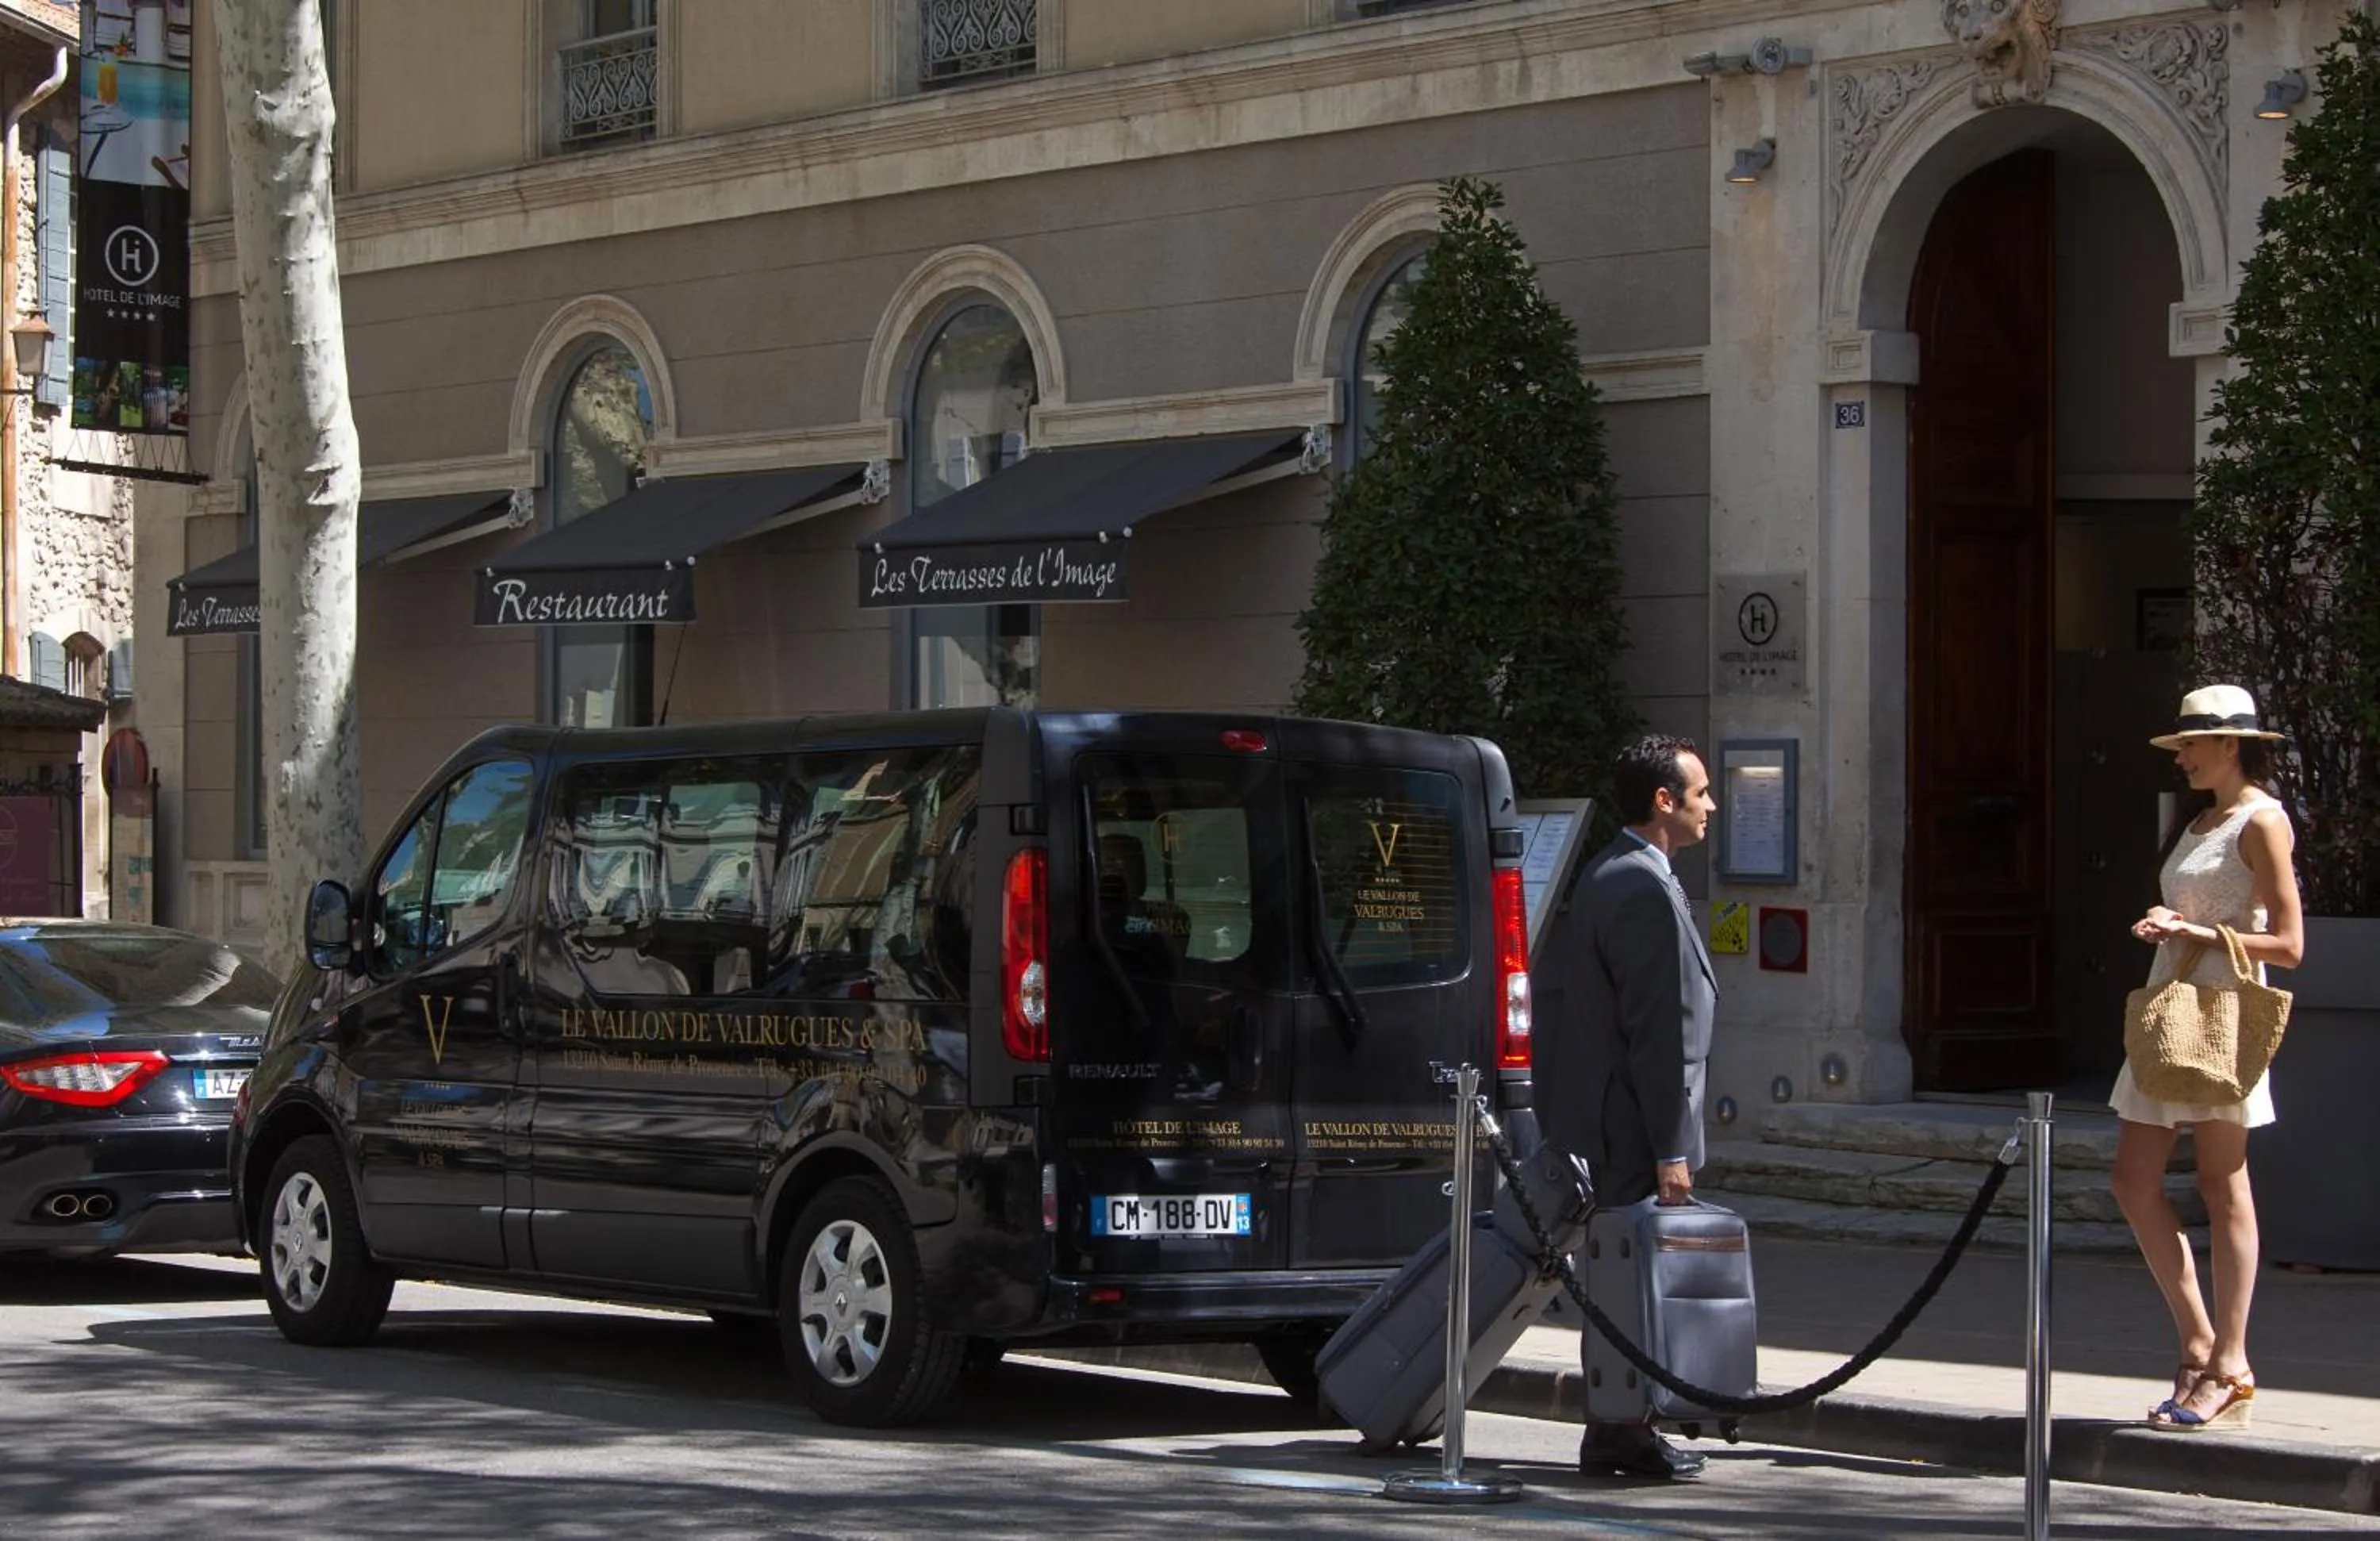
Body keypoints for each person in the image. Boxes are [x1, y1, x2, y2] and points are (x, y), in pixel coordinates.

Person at [2109, 684, 2304, 1433]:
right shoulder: (2198, 821)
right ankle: (2198, 1341)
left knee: (2224, 1185)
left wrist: (2191, 932)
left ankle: (2230, 1361)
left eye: (2191, 743)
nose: (2181, 756)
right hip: (2170, 1011)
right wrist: (2168, 924)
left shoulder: (2263, 820)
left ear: (2231, 744)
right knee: (2133, 1180)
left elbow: (2289, 945)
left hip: (2222, 1017)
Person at [1536, 733, 1719, 1480]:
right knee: (1630, 1280)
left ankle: (1620, 1424)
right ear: (1664, 801)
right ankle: (1622, 1431)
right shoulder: (1637, 886)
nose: (1712, 806)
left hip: (1619, 1119)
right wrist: (1671, 1150)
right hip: (1635, 1128)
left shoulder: (1618, 872)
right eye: (1700, 793)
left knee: (1623, 1276)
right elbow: (1655, 1032)